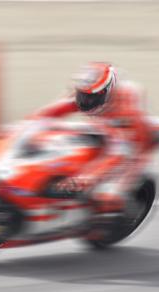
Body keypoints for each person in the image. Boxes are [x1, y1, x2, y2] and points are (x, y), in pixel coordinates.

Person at [29, 62, 151, 214]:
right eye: (82, 94)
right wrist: (26, 128)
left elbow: (125, 151)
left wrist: (84, 179)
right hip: (102, 125)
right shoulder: (86, 93)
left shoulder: (126, 110)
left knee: (109, 196)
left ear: (107, 92)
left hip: (128, 139)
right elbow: (48, 113)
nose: (84, 101)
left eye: (89, 97)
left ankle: (107, 202)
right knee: (55, 132)